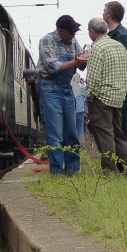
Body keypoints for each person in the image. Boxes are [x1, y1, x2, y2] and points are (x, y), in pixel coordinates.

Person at [36, 15, 87, 175]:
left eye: (74, 32)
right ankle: (57, 172)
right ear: (60, 30)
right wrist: (76, 62)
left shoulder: (73, 42)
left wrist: (84, 60)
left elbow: (81, 67)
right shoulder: (47, 40)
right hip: (50, 88)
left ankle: (73, 170)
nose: (73, 36)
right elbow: (53, 66)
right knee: (55, 134)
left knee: (71, 133)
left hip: (67, 88)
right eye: (70, 32)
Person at [84, 17, 127, 174]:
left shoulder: (97, 48)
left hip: (101, 99)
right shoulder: (119, 46)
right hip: (119, 97)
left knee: (105, 135)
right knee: (119, 135)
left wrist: (89, 97)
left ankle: (110, 170)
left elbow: (92, 78)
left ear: (92, 31)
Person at [103, 1, 127, 165]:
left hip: (124, 86)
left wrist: (121, 86)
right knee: (119, 127)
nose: (102, 13)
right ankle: (124, 163)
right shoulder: (111, 35)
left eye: (104, 11)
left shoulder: (123, 35)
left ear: (109, 15)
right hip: (117, 86)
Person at [72, 73, 88, 141]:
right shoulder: (82, 87)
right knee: (80, 130)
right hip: (80, 111)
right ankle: (81, 145)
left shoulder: (70, 87)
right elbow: (86, 99)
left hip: (71, 111)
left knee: (72, 130)